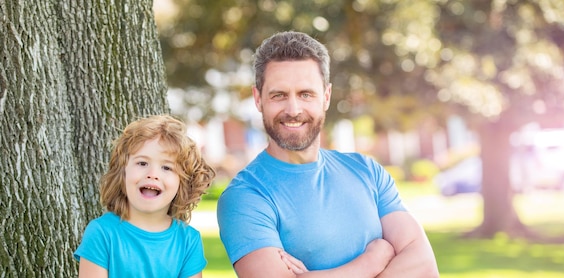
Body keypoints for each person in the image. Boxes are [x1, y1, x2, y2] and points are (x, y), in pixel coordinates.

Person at [217, 31, 439, 277]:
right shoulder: (246, 197)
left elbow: (424, 266)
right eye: (279, 95)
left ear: (326, 96)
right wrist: (371, 263)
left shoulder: (367, 171)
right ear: (258, 99)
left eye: (305, 94)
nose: (293, 109)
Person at [74, 115, 216, 278]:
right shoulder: (102, 232)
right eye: (142, 163)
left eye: (167, 168)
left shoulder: (188, 240)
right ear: (122, 173)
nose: (153, 174)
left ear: (182, 183)